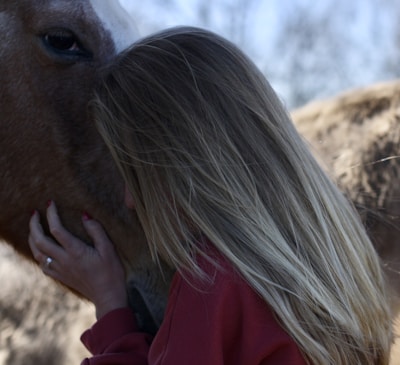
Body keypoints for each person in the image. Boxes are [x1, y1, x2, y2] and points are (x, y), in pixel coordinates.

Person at [28, 26, 392, 364]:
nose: (129, 200)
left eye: (134, 174)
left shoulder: (212, 284)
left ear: (185, 168)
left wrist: (110, 307)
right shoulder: (338, 264)